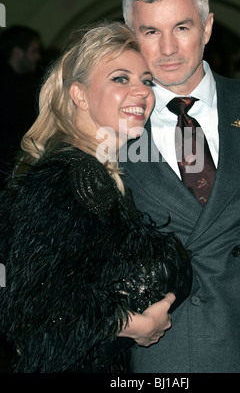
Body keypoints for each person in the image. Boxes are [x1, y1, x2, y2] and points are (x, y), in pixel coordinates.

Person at [120, 0, 240, 373]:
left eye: (181, 27)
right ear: (131, 37)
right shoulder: (112, 124)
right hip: (162, 352)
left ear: (207, 27)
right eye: (150, 32)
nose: (167, 49)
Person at [0, 21, 192, 373]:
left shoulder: (94, 173)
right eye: (121, 79)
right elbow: (36, 312)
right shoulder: (72, 176)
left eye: (147, 81)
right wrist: (137, 325)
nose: (143, 92)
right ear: (80, 94)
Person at [0, 25, 42, 188]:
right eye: (34, 51)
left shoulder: (22, 84)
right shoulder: (12, 89)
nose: (38, 57)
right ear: (17, 52)